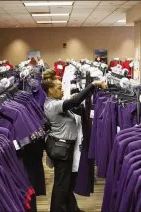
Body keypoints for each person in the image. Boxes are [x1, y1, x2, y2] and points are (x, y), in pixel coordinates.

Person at [41, 69, 106, 212]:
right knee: (61, 185)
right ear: (50, 90)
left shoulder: (56, 102)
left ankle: (72, 209)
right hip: (61, 148)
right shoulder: (53, 105)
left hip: (63, 147)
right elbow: (75, 101)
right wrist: (93, 85)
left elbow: (73, 103)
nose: (62, 91)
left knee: (66, 183)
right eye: (59, 88)